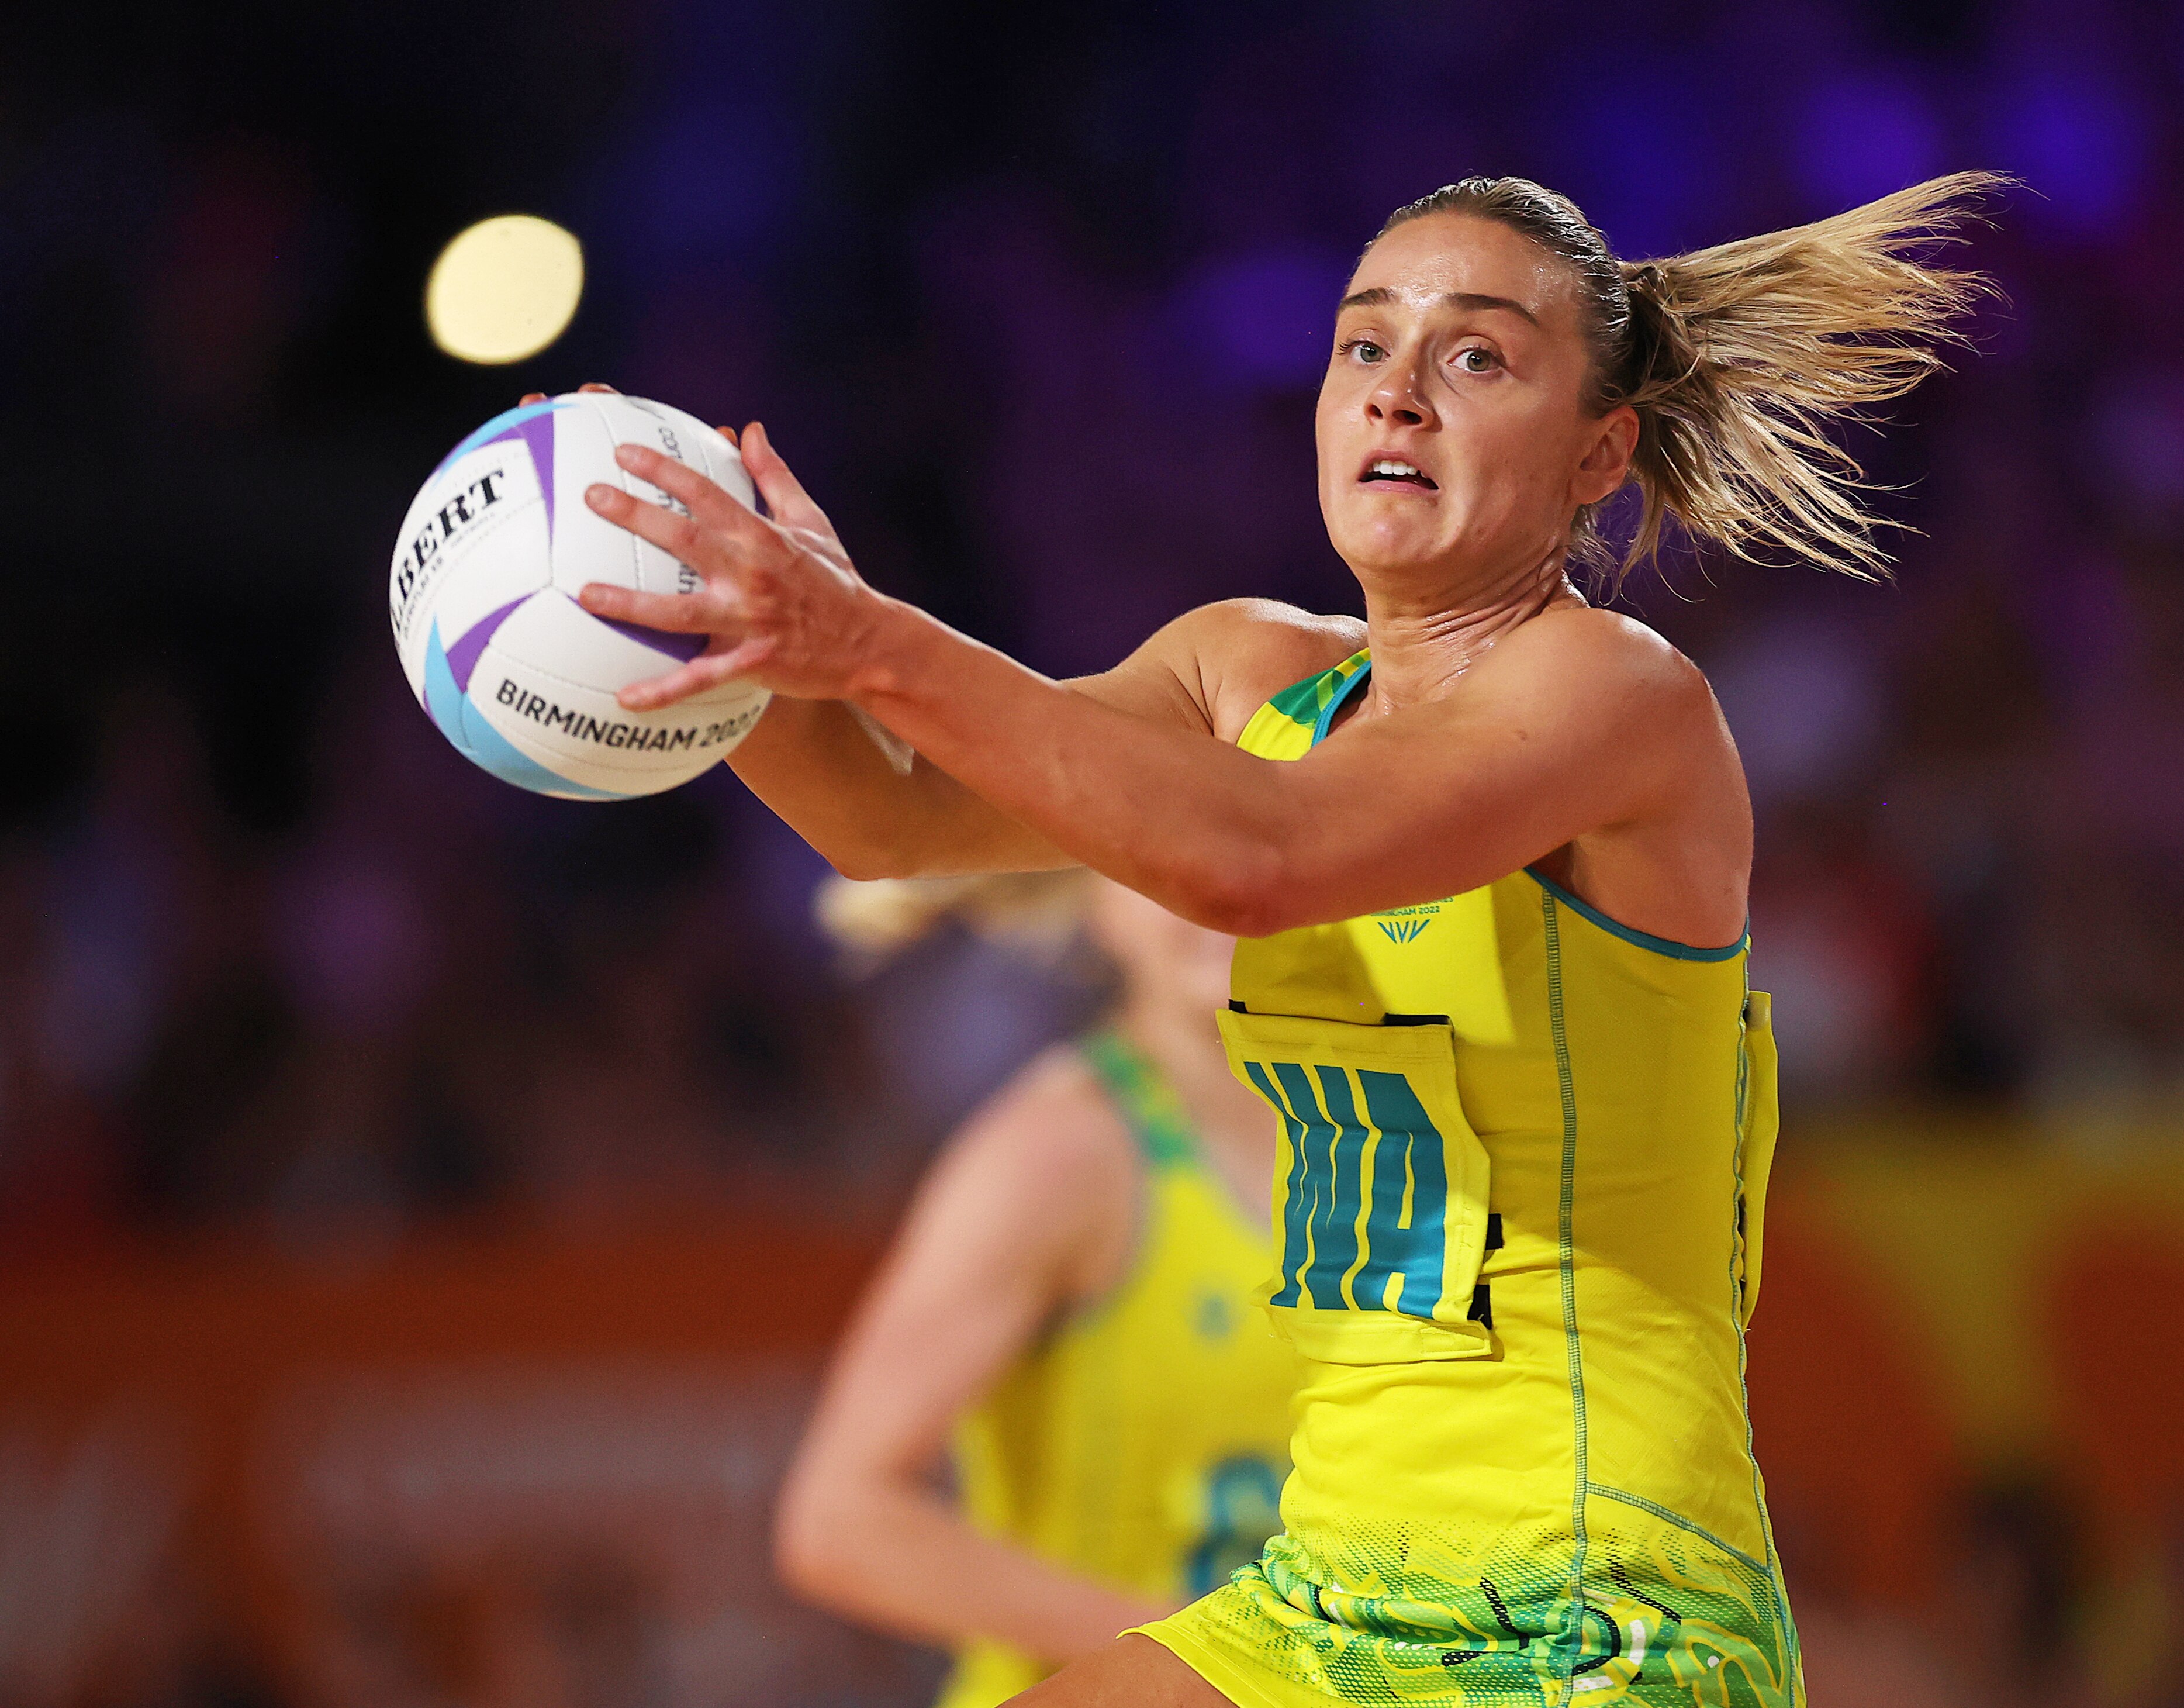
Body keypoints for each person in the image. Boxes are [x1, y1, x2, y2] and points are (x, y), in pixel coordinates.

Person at [561, 169, 1999, 1706]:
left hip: (1596, 1611)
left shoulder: (1616, 698)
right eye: (1362, 347)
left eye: (1474, 357)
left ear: (1598, 455)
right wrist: (704, 626)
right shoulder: (1241, 673)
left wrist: (868, 638)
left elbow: (1258, 858)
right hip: (1323, 1593)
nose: (1395, 395)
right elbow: (890, 823)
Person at [772, 872, 1300, 1707]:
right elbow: (840, 1520)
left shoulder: (1398, 1136)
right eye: (1169, 863)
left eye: (1239, 852)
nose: (1219, 899)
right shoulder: (1059, 1152)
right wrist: (1200, 1661)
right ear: (1091, 893)